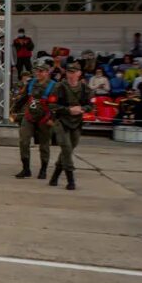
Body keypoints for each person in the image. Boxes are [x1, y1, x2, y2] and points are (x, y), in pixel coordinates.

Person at [48, 62, 93, 190]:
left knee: (67, 150)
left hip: (77, 123)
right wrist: (68, 110)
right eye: (69, 72)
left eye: (74, 72)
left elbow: (91, 105)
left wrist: (82, 109)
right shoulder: (59, 87)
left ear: (79, 73)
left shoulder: (85, 88)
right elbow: (51, 105)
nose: (71, 75)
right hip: (61, 121)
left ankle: (55, 176)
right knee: (66, 148)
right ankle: (70, 180)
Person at [11, 61, 56, 180]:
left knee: (44, 145)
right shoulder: (31, 83)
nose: (38, 73)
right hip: (29, 116)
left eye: (41, 71)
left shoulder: (54, 86)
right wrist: (14, 109)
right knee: (24, 141)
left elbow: (57, 104)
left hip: (45, 118)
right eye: (37, 71)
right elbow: (24, 97)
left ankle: (43, 169)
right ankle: (26, 169)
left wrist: (52, 118)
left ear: (47, 72)